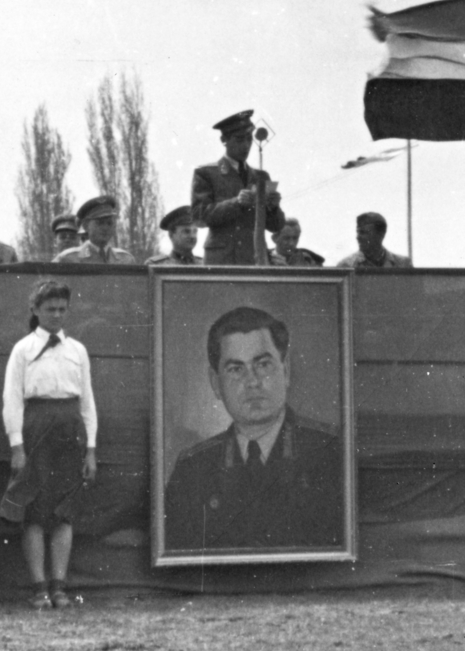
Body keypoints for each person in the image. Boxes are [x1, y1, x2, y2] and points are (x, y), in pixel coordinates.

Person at [163, 305, 344, 552]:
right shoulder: (191, 471)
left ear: (286, 371)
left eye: (263, 365)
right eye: (236, 369)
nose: (252, 382)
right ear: (216, 383)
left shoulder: (333, 453)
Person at [0, 281, 97, 608]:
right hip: (36, 430)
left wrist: (91, 448)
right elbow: (11, 400)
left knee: (64, 513)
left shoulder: (77, 350)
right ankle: (39, 586)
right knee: (36, 513)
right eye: (50, 309)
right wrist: (17, 446)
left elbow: (87, 403)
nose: (56, 315)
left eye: (61, 309)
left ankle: (59, 585)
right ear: (35, 310)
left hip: (70, 433)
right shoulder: (23, 349)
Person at [190, 110, 284, 265]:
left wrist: (273, 208)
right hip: (220, 261)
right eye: (239, 139)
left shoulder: (261, 177)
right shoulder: (206, 173)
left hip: (254, 259)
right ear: (224, 140)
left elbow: (276, 226)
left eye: (249, 139)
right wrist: (236, 203)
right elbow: (198, 217)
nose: (246, 145)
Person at [53, 196, 137, 264]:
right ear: (86, 226)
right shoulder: (67, 259)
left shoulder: (126, 260)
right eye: (99, 223)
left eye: (109, 223)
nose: (105, 228)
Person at [336, 212, 412, 269]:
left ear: (381, 234)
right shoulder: (346, 266)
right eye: (358, 232)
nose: (358, 237)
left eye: (363, 233)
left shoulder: (403, 265)